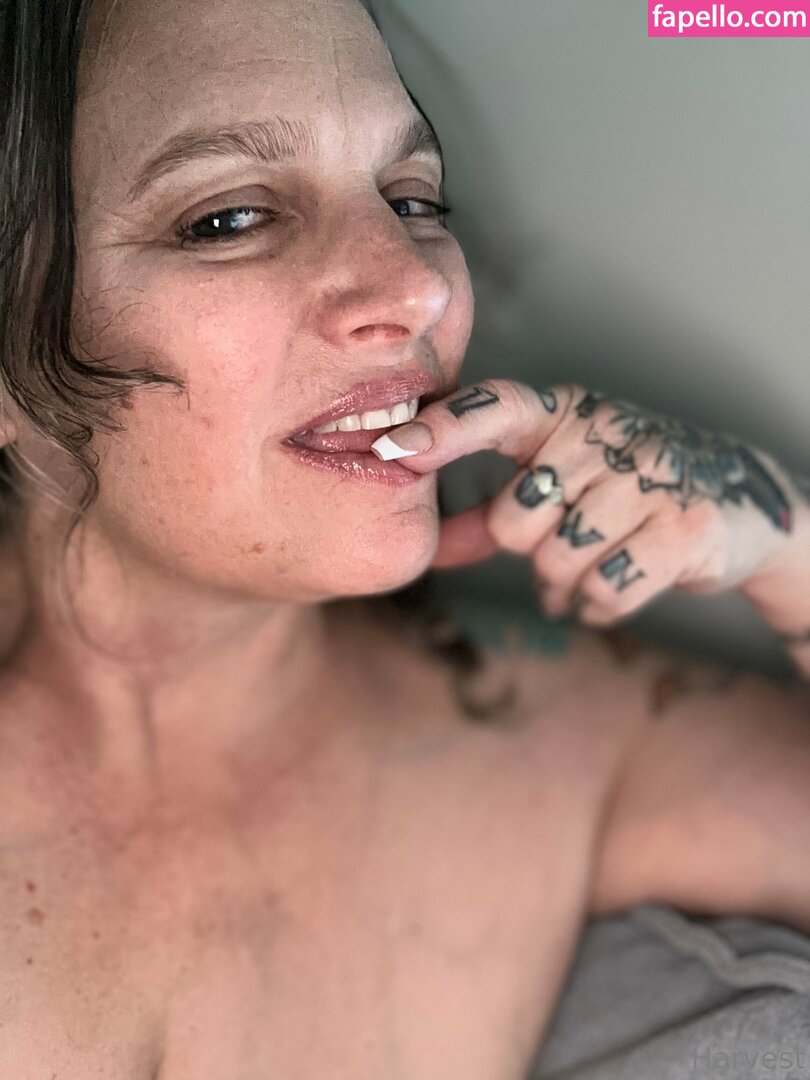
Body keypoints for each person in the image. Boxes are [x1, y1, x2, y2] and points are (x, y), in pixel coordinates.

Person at [0, 0, 807, 1073]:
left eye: (413, 198)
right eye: (229, 219)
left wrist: (786, 543)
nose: (417, 285)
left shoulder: (548, 745)